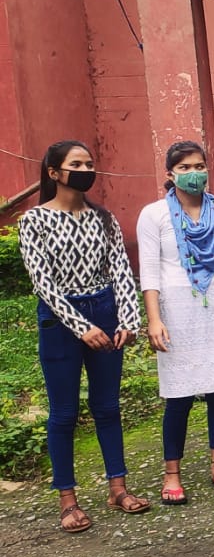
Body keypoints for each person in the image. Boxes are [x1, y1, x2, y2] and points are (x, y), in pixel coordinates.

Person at [18, 140, 150, 533]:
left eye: (89, 163)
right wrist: (81, 326)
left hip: (105, 310)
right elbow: (43, 282)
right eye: (75, 164)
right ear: (53, 173)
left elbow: (121, 270)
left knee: (107, 406)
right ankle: (68, 500)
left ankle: (118, 488)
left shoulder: (104, 218)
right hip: (60, 320)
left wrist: (128, 319)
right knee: (64, 412)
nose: (85, 170)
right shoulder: (34, 221)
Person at [137, 140, 214, 504]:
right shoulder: (154, 215)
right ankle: (172, 474)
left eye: (199, 166)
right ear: (170, 174)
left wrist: (212, 286)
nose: (193, 173)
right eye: (184, 168)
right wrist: (154, 319)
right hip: (175, 311)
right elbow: (149, 272)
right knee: (179, 394)